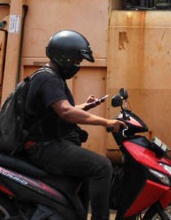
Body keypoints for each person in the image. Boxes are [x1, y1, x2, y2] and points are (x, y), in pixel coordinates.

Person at [24, 30, 125, 220]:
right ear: (65, 57)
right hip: (44, 147)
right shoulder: (49, 79)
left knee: (88, 170)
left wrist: (85, 107)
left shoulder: (48, 76)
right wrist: (106, 122)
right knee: (102, 166)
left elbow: (58, 110)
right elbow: (65, 112)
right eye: (77, 61)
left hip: (48, 143)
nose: (78, 65)